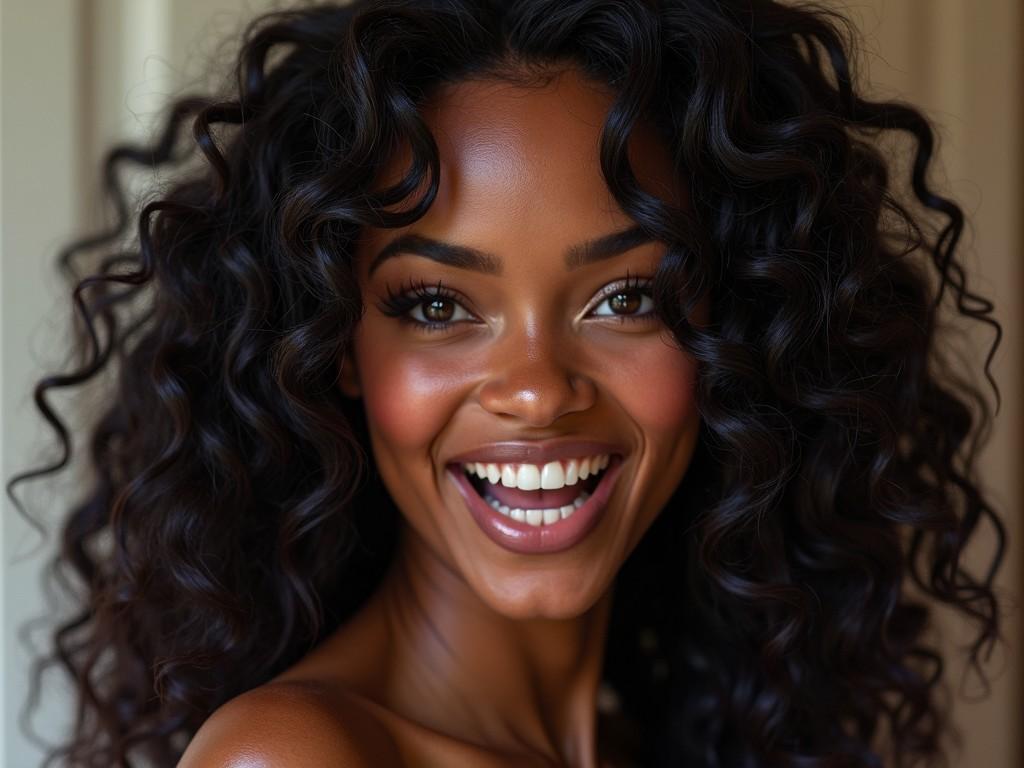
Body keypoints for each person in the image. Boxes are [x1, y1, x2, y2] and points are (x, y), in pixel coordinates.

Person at [6, 0, 1007, 766]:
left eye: (624, 298)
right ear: (336, 347)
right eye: (438, 307)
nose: (535, 389)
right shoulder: (298, 756)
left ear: (726, 333)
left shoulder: (658, 742)